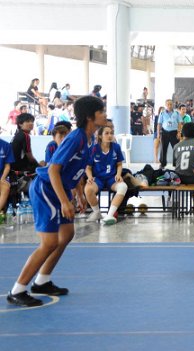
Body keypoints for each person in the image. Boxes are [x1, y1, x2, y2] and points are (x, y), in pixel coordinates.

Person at [6, 95, 105, 307]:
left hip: (59, 190)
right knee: (50, 242)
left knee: (67, 234)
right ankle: (18, 290)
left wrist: (78, 195)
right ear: (90, 116)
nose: (105, 115)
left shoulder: (88, 139)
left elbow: (76, 171)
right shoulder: (75, 137)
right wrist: (64, 201)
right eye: (101, 112)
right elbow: (53, 169)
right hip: (46, 190)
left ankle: (42, 280)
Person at [84, 124, 128, 225]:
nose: (110, 135)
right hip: (98, 179)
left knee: (123, 187)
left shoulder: (116, 147)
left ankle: (109, 215)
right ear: (100, 136)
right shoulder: (94, 149)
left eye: (111, 133)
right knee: (88, 189)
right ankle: (97, 212)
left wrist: (118, 174)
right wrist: (90, 177)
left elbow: (119, 164)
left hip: (111, 178)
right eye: (106, 133)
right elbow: (88, 167)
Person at [157, 100, 180, 167]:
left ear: (172, 104)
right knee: (163, 148)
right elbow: (159, 124)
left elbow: (179, 123)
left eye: (171, 104)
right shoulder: (162, 113)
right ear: (166, 105)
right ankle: (163, 164)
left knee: (176, 148)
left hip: (174, 133)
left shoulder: (176, 113)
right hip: (164, 133)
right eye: (168, 104)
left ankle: (176, 163)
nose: (170, 106)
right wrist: (158, 133)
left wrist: (179, 132)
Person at [0, 137, 15, 225]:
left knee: (6, 186)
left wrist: (2, 178)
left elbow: (7, 166)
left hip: (1, 177)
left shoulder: (6, 145)